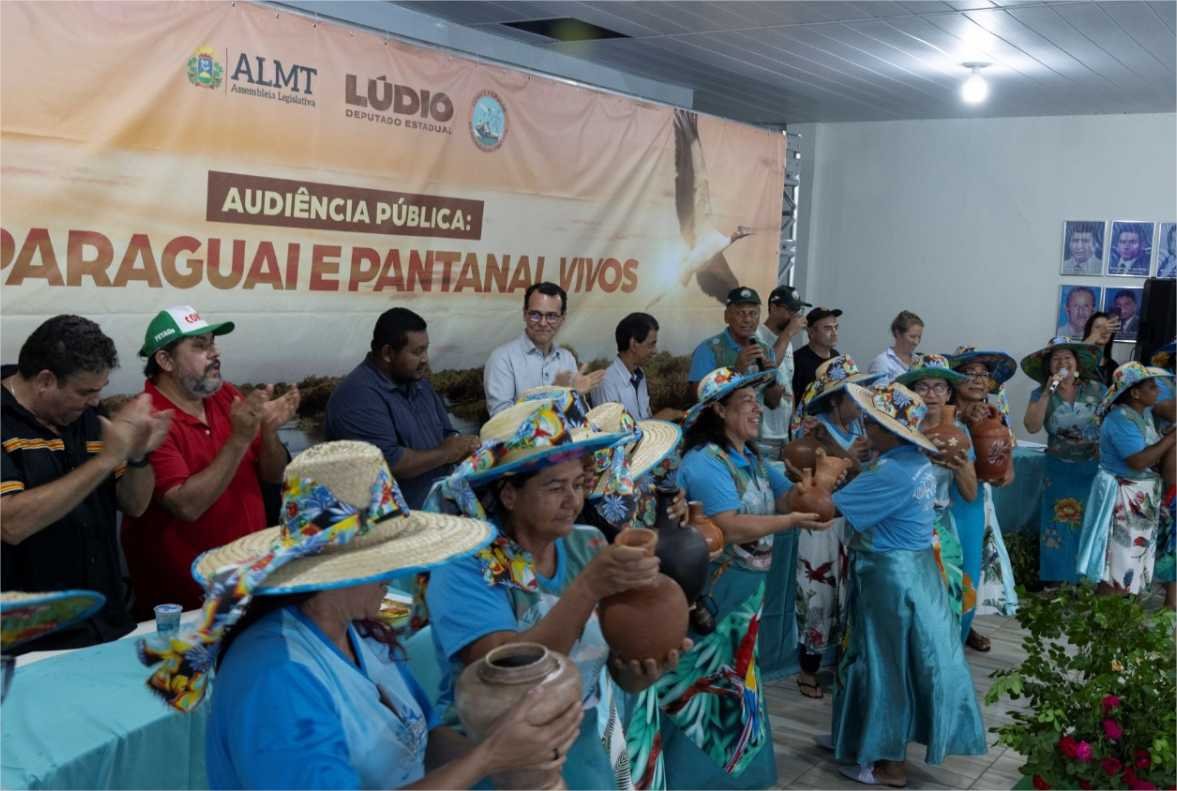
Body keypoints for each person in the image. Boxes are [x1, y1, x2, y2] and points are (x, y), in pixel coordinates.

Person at [139, 440, 581, 789]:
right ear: (338, 570)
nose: (399, 574)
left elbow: (421, 742)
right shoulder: (275, 675)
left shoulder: (362, 633)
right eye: (387, 561)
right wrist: (490, 758)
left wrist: (507, 758)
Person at [425, 393, 686, 790]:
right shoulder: (466, 568)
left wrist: (636, 674)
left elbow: (607, 663)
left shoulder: (587, 545)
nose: (572, 501)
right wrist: (588, 587)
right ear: (509, 494)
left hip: (579, 741)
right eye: (554, 487)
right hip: (495, 761)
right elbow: (511, 680)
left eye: (579, 484)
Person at [651, 367, 829, 789]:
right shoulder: (706, 462)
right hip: (715, 591)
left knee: (734, 681)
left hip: (746, 592)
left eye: (755, 398)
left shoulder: (751, 458)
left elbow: (787, 494)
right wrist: (789, 521)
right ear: (718, 410)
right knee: (702, 685)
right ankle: (690, 780)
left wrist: (809, 488)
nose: (755, 407)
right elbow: (728, 526)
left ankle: (732, 777)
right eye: (745, 401)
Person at [826, 382, 986, 788]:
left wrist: (833, 470)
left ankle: (886, 759)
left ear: (886, 430)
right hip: (913, 570)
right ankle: (859, 740)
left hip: (889, 574)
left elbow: (827, 506)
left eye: (871, 423)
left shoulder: (891, 471)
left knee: (884, 664)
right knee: (889, 658)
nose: (864, 428)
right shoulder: (915, 461)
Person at [1, 315, 171, 652]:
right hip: (30, 645)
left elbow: (135, 504)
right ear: (45, 381)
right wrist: (106, 460)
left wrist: (137, 456)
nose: (95, 401)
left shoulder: (86, 416)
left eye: (100, 390)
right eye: (85, 392)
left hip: (106, 625)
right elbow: (11, 524)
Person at [121, 306, 300, 617]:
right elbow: (186, 506)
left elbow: (273, 476)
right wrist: (239, 439)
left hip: (248, 583)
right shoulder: (149, 418)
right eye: (200, 346)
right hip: (185, 605)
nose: (214, 354)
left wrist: (270, 432)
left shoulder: (225, 395)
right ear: (165, 361)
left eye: (213, 344)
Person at [325, 308, 480, 509]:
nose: (425, 359)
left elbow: (447, 434)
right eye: (417, 352)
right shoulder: (356, 397)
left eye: (426, 349)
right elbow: (392, 464)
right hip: (390, 526)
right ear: (388, 353)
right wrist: (448, 453)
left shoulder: (418, 382)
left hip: (443, 510)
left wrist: (464, 445)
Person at [789, 355, 879, 699]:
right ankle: (806, 669)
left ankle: (840, 663)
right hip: (821, 526)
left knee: (848, 594)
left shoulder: (859, 428)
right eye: (852, 395)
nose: (859, 402)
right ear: (835, 399)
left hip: (851, 522)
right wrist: (851, 459)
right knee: (817, 594)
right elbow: (810, 480)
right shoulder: (815, 431)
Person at [1075, 362, 1175, 595]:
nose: (1157, 391)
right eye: (1152, 387)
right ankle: (1104, 617)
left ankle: (1117, 618)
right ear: (1135, 393)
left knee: (1130, 558)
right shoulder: (1121, 419)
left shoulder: (1144, 413)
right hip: (1123, 496)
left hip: (1137, 496)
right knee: (1118, 558)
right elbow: (1137, 461)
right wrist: (1170, 440)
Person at [895, 355, 977, 630]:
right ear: (912, 392)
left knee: (942, 604)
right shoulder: (899, 429)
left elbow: (970, 493)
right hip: (902, 528)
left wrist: (961, 464)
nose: (931, 394)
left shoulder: (959, 434)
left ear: (948, 393)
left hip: (940, 527)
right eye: (923, 387)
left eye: (939, 387)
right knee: (905, 606)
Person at [947, 347, 1020, 651]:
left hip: (972, 505)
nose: (978, 380)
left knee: (967, 579)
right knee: (941, 578)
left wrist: (1003, 471)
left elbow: (1008, 471)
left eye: (984, 374)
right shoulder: (937, 412)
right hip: (941, 504)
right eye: (969, 373)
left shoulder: (995, 416)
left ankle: (957, 644)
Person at [1021, 338, 1107, 584]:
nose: (1062, 362)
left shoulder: (1096, 389)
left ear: (1076, 362)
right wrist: (1048, 393)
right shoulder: (1039, 393)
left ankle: (1086, 579)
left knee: (1089, 522)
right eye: (1056, 359)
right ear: (1049, 366)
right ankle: (1057, 580)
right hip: (1058, 469)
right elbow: (1032, 425)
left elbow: (1110, 423)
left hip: (1092, 467)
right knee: (1057, 524)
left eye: (1067, 357)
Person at [484, 282, 603, 416]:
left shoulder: (566, 358)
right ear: (524, 314)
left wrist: (576, 397)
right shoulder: (502, 359)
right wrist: (558, 395)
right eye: (536, 314)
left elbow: (575, 417)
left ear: (562, 319)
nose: (543, 323)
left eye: (551, 316)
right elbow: (503, 422)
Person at [688, 288, 784, 411]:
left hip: (754, 427)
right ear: (726, 316)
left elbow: (773, 403)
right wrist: (735, 372)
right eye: (740, 313)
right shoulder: (708, 350)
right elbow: (697, 398)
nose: (747, 319)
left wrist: (771, 380)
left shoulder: (765, 350)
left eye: (752, 313)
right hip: (718, 428)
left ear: (759, 317)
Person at [591, 312, 682, 421]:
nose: (655, 351)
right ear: (633, 344)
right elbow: (614, 435)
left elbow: (643, 419)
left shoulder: (639, 375)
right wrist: (657, 420)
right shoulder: (606, 382)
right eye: (651, 345)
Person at [752, 285, 809, 461]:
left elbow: (788, 384)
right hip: (761, 433)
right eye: (790, 310)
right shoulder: (756, 336)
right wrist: (788, 332)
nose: (795, 315)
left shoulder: (788, 341)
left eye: (797, 310)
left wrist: (793, 427)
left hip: (783, 433)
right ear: (773, 307)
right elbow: (769, 366)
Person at [793, 307, 842, 407]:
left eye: (836, 327)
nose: (834, 333)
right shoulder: (797, 360)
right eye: (827, 328)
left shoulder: (837, 357)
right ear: (811, 332)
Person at [868, 310, 925, 383]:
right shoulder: (882, 362)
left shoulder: (919, 361)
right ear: (897, 333)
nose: (916, 342)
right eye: (912, 336)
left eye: (919, 337)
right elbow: (878, 392)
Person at [1082, 311, 1122, 385]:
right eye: (1098, 327)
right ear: (1089, 331)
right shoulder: (1078, 360)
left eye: (1108, 328)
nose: (1104, 331)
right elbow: (1079, 353)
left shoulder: (1114, 366)